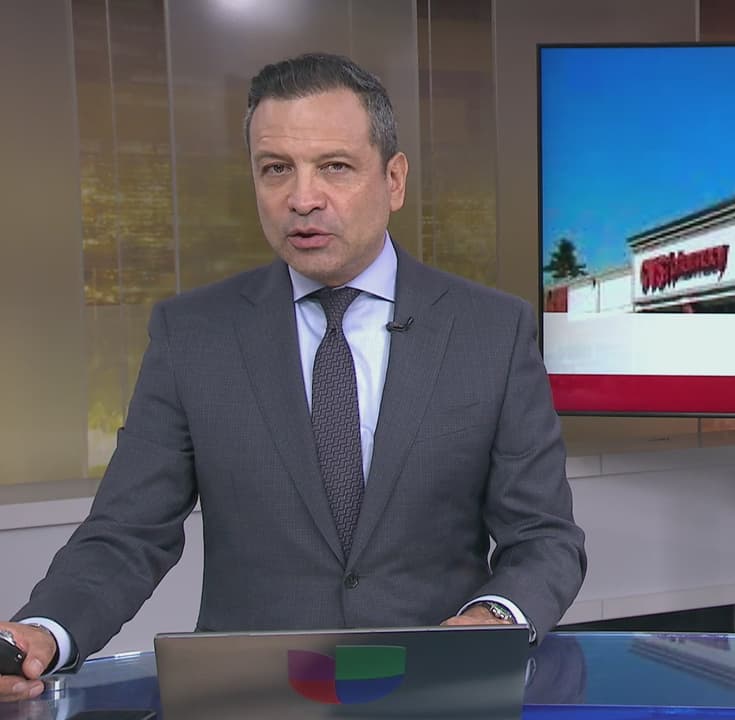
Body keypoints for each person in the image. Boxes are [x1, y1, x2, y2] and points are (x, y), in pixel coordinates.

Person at [0, 52, 586, 702]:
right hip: (250, 700)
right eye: (276, 169)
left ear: (394, 180)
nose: (302, 199)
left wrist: (494, 618)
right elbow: (127, 532)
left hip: (434, 694)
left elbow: (544, 538)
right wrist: (44, 632)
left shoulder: (491, 331)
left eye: (334, 166)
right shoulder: (193, 334)